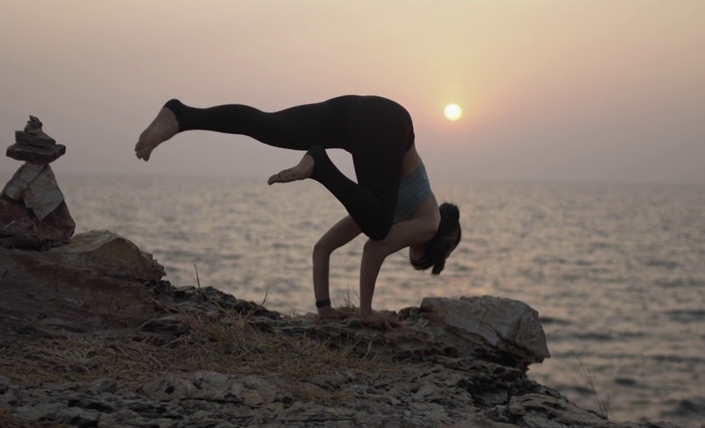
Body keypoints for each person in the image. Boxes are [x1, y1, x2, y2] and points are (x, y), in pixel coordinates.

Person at [134, 95, 462, 328]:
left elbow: (323, 249)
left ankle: (181, 116)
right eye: (416, 256)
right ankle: (320, 165)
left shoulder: (382, 204)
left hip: (361, 112)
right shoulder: (430, 223)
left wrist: (325, 309)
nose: (407, 250)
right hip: (386, 123)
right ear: (436, 246)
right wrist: (366, 312)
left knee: (272, 127)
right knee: (376, 228)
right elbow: (374, 247)